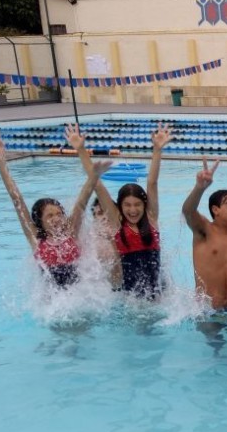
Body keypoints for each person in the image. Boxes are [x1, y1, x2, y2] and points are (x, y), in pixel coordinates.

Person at [0, 128, 104, 288]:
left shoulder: (71, 231)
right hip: (52, 299)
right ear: (40, 221)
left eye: (59, 214)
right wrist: (0, 162)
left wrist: (92, 173)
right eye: (50, 216)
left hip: (80, 293)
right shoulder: (36, 238)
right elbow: (17, 199)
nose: (56, 218)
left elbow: (82, 201)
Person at [70, 122, 172, 299]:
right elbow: (98, 186)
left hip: (159, 297)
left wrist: (157, 150)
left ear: (145, 205)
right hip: (131, 301)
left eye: (137, 204)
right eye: (127, 205)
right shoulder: (118, 224)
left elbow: (152, 182)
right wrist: (81, 150)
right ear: (120, 207)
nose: (133, 210)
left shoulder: (151, 218)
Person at [181, 159, 227, 312]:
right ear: (216, 210)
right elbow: (188, 211)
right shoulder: (204, 230)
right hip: (208, 311)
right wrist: (199, 188)